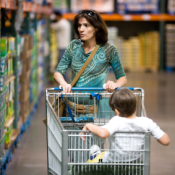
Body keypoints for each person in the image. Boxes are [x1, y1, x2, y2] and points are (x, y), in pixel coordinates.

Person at [81, 88, 170, 163]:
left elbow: (103, 133)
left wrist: (88, 125)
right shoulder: (146, 122)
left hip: (113, 160)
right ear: (134, 106)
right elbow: (166, 141)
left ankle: (95, 155)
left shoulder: (117, 121)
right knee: (105, 152)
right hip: (134, 161)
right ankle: (97, 153)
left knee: (95, 159)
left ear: (117, 111)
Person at [54, 9, 127, 93]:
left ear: (96, 28)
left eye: (86, 25)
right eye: (79, 25)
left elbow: (122, 78)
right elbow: (58, 72)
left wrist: (114, 85)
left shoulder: (109, 49)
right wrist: (63, 83)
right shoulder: (73, 45)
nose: (81, 29)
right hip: (72, 103)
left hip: (96, 104)